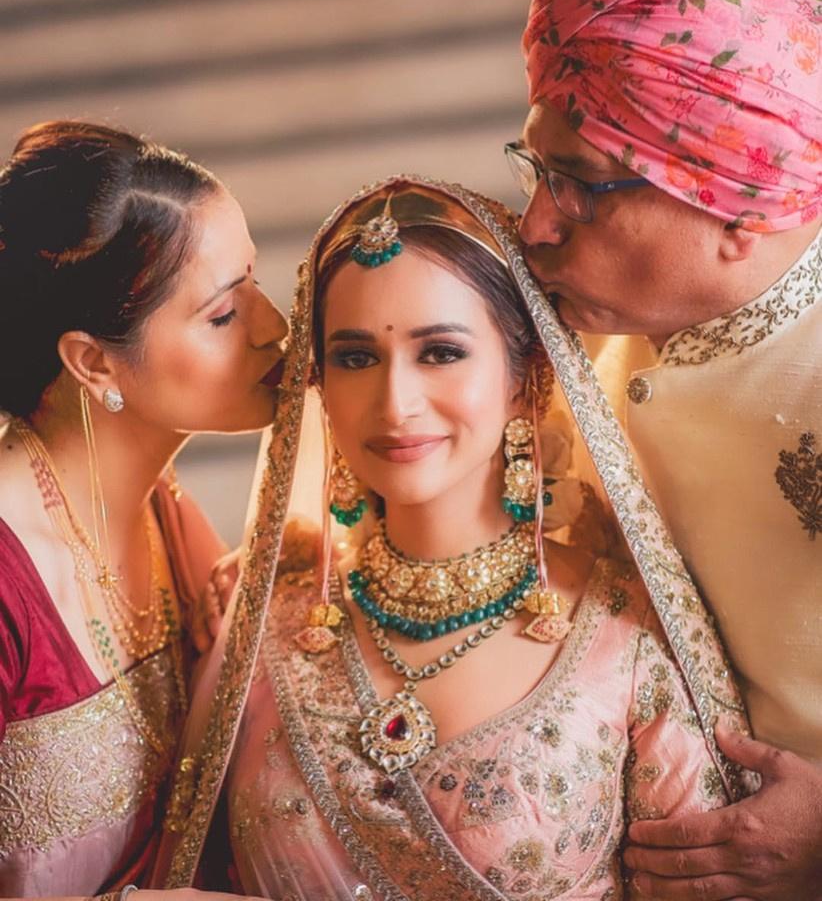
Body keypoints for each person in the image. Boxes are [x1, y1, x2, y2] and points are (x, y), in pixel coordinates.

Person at [154, 175, 753, 898]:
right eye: (354, 357)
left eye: (440, 352)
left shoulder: (629, 634)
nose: (395, 403)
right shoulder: (259, 622)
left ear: (523, 373)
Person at [516, 0, 822, 899]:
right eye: (535, 169)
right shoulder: (561, 333)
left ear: (740, 212)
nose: (535, 225)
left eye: (583, 186)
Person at [0, 120, 285, 899]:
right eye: (223, 316)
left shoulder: (165, 515)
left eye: (255, 281)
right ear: (94, 361)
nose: (276, 329)